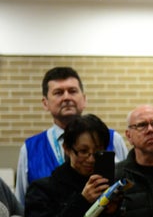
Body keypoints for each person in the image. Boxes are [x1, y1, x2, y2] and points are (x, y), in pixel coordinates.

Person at [15, 67, 128, 205]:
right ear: (45, 103)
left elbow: (126, 189)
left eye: (72, 91)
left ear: (84, 99)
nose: (67, 97)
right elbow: (20, 204)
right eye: (58, 93)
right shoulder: (30, 148)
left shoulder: (112, 139)